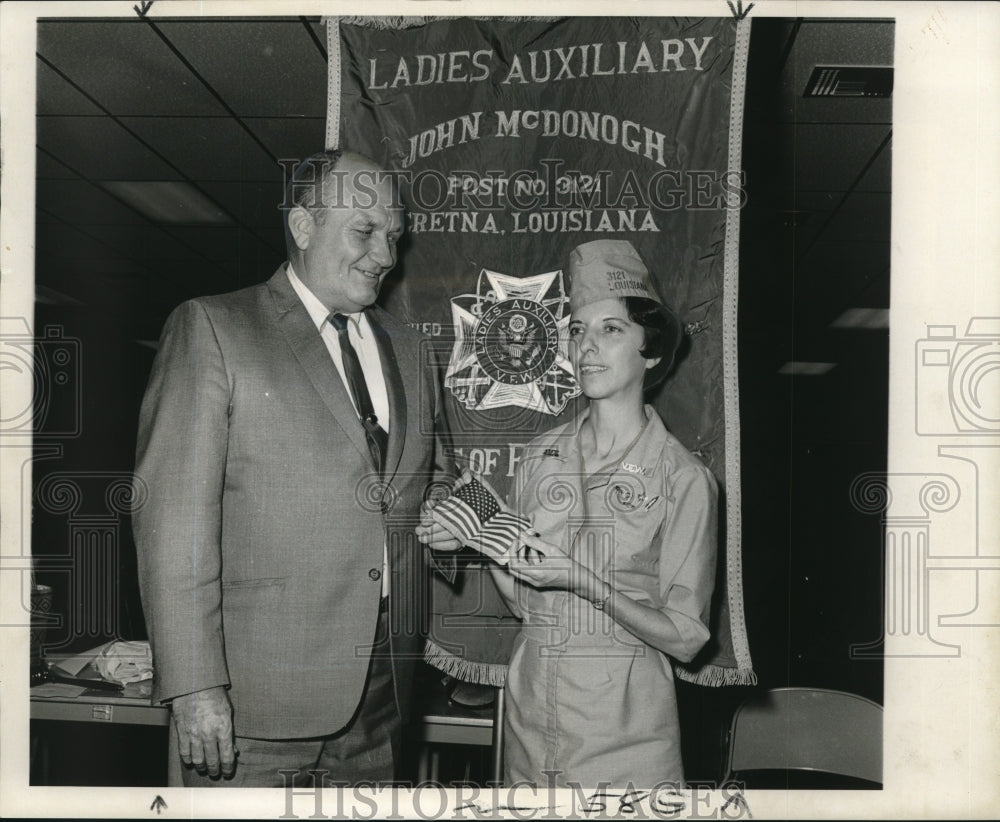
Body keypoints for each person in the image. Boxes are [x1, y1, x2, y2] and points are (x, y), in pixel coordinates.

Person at [133, 149, 453, 787]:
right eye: (363, 231)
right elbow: (173, 525)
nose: (385, 255)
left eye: (392, 235)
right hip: (252, 708)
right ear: (304, 227)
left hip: (385, 692)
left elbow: (431, 478)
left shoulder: (414, 350)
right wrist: (195, 687)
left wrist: (451, 512)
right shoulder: (215, 327)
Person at [417, 239, 717, 788]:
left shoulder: (683, 479)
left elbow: (687, 638)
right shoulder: (541, 455)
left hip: (624, 727)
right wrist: (477, 531)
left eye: (610, 330)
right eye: (578, 331)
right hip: (531, 707)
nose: (586, 349)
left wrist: (582, 580)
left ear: (650, 350)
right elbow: (523, 601)